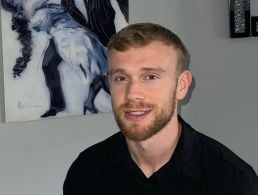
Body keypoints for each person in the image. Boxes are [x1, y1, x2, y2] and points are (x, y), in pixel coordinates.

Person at [63, 23, 258, 195]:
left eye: (150, 77)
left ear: (181, 85)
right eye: (121, 78)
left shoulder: (233, 181)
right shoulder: (86, 170)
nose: (132, 93)